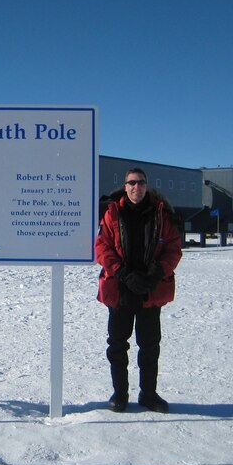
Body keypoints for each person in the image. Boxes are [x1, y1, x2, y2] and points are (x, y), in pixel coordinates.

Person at [94, 168, 182, 413]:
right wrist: (123, 273)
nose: (136, 187)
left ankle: (149, 394)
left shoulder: (162, 213)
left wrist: (156, 274)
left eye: (140, 183)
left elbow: (173, 248)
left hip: (149, 290)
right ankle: (120, 393)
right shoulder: (112, 213)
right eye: (131, 183)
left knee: (150, 345)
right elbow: (102, 247)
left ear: (146, 186)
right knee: (117, 344)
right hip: (121, 289)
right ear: (125, 186)